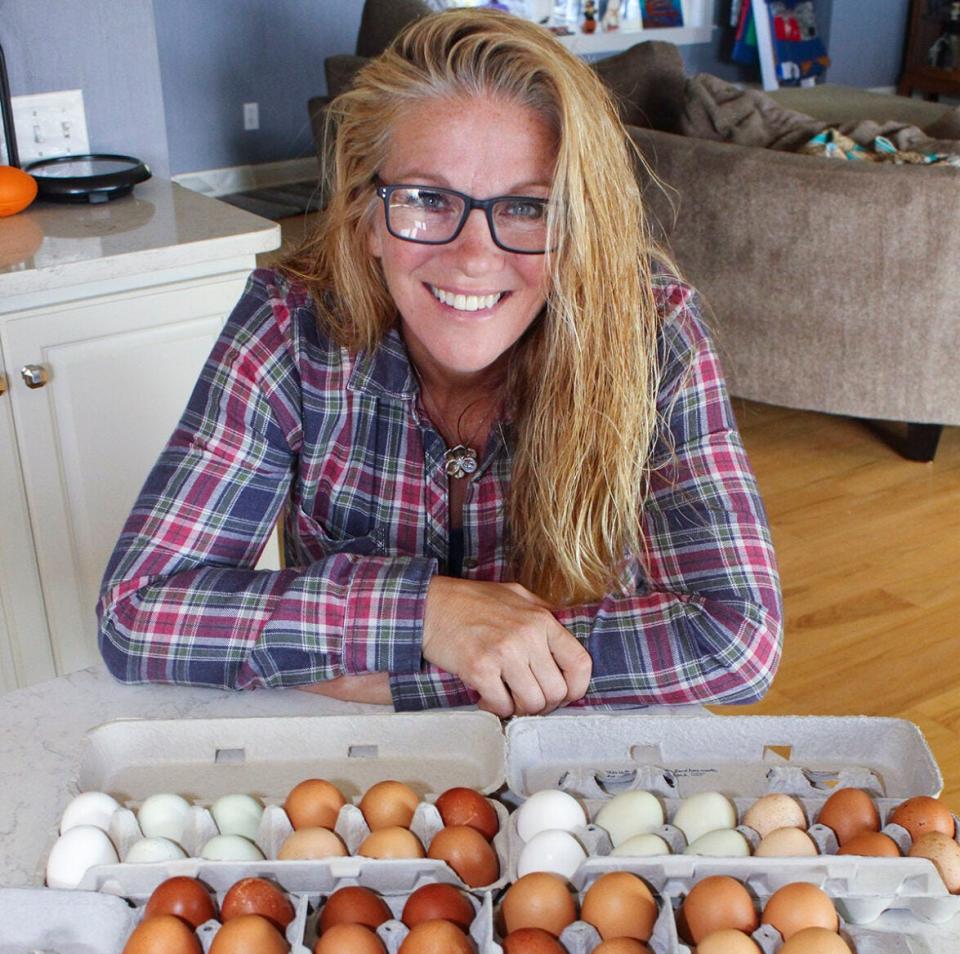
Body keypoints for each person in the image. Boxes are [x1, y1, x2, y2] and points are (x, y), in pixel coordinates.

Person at [98, 8, 782, 717]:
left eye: (527, 207)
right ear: (366, 214)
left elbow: (737, 639)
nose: (475, 256)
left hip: (571, 762)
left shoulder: (654, 332)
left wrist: (408, 678)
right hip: (363, 764)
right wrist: (425, 614)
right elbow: (139, 610)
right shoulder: (288, 325)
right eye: (427, 198)